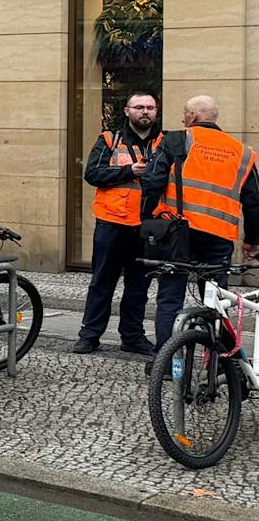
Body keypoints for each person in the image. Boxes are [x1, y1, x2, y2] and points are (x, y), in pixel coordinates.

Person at [142, 94, 259, 353]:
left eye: (184, 113)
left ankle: (168, 361)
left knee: (170, 298)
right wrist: (252, 241)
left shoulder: (176, 139)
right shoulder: (242, 152)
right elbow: (254, 203)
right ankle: (220, 361)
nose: (182, 118)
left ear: (193, 116)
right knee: (217, 300)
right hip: (218, 237)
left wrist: (147, 218)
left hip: (177, 233)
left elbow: (152, 181)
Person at [74, 92, 164, 355]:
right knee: (102, 282)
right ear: (127, 111)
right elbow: (92, 173)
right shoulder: (109, 140)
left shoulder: (166, 142)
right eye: (139, 107)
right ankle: (89, 335)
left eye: (150, 107)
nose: (145, 112)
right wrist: (128, 171)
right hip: (112, 223)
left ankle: (133, 337)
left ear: (156, 111)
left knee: (139, 286)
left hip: (148, 225)